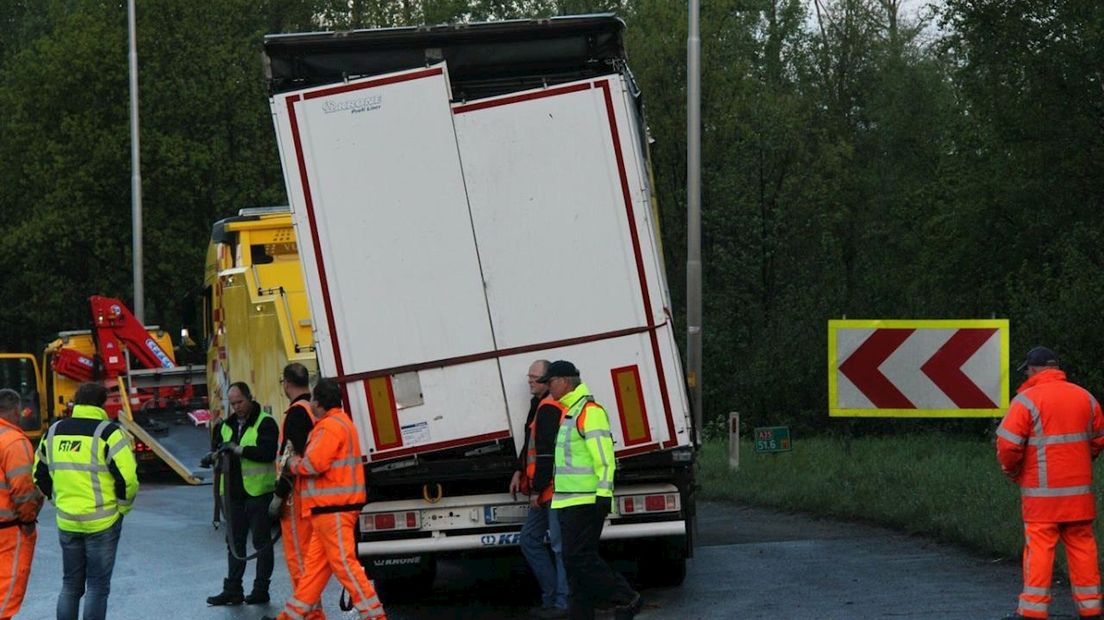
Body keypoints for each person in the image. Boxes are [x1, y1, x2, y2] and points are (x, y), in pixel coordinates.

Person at [262, 378, 387, 620]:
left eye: (313, 401)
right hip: (329, 510)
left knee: (343, 565)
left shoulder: (329, 426)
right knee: (314, 573)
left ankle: (375, 616)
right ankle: (291, 616)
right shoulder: (340, 423)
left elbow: (314, 464)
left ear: (318, 402)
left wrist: (292, 463)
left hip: (334, 510)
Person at [996, 346, 1104, 620]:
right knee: (1082, 548)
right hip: (1078, 495)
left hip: (1041, 497)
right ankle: (1091, 610)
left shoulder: (1026, 401)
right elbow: (1097, 440)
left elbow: (1008, 446)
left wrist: (1013, 471)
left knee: (1040, 549)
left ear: (1033, 370)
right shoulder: (1085, 398)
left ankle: (1033, 611)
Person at [33, 381, 138, 620]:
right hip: (102, 522)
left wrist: (57, 500)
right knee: (97, 587)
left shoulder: (54, 431)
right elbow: (128, 479)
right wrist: (123, 507)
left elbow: (38, 474)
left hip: (68, 520)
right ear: (102, 404)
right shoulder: (109, 433)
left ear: (76, 402)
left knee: (70, 586)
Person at [545, 361, 641, 620]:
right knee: (573, 563)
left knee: (579, 558)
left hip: (586, 501)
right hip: (567, 502)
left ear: (565, 381)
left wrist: (603, 495)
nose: (548, 388)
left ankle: (627, 597)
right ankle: (581, 615)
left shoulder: (590, 411)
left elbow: (605, 458)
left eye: (550, 382)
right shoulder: (570, 413)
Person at [207, 381, 278, 606]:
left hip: (258, 493)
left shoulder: (265, 423)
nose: (236, 407)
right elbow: (217, 450)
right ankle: (233, 590)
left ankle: (260, 589)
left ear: (250, 397)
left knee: (261, 543)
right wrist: (213, 456)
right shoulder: (225, 426)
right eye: (233, 403)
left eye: (240, 402)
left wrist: (239, 450)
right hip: (233, 494)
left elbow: (267, 453)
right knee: (235, 544)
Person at [509, 360, 569, 619]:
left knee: (557, 546)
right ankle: (553, 598)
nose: (530, 381)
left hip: (552, 489)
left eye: (534, 378)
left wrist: (536, 489)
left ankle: (561, 603)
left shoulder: (548, 408)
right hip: (546, 489)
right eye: (529, 377)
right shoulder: (539, 406)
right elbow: (530, 445)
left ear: (548, 380)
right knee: (531, 539)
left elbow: (545, 454)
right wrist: (518, 469)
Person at [271, 363, 323, 617]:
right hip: (312, 495)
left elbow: (292, 459)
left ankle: (310, 616)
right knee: (310, 564)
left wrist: (279, 494)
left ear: (287, 383)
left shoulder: (296, 414)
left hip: (296, 499)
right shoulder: (314, 410)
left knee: (300, 564)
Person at [0, 388, 44, 619]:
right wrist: (28, 519)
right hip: (9, 531)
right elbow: (23, 488)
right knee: (6, 595)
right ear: (16, 410)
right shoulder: (14, 441)